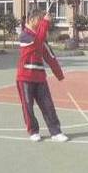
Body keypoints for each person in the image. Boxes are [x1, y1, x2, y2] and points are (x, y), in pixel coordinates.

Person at [15, 10, 67, 142]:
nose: (41, 22)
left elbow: (50, 57)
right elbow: (37, 43)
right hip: (25, 78)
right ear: (31, 20)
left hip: (40, 78)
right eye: (39, 19)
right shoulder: (24, 36)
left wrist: (59, 75)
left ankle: (56, 132)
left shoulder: (40, 37)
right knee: (28, 106)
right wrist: (45, 23)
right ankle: (33, 131)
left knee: (48, 105)